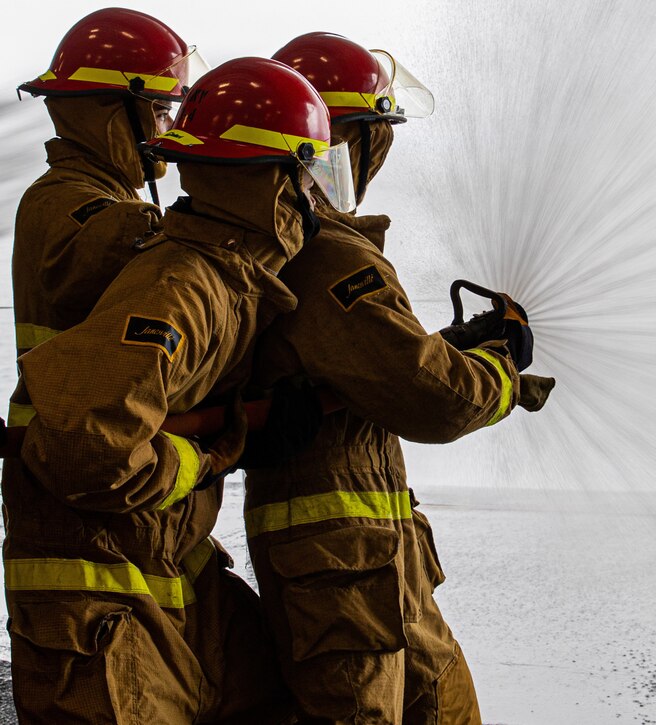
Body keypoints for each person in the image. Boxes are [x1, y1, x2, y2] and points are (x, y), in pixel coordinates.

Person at [1, 56, 349, 723]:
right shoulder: (170, 274)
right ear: (267, 182)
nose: (316, 201)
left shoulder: (210, 275)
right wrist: (207, 457)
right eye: (309, 178)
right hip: (97, 583)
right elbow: (84, 446)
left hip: (152, 552)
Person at [241, 32, 553, 724]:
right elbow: (427, 396)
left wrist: (453, 345)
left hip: (369, 572)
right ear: (349, 136)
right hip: (344, 584)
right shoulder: (327, 256)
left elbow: (367, 370)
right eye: (377, 132)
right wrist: (501, 368)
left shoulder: (302, 244)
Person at [9, 7, 207, 415]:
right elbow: (144, 257)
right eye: (158, 111)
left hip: (96, 439)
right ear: (108, 113)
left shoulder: (109, 195)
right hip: (77, 451)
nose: (166, 132)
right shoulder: (68, 202)